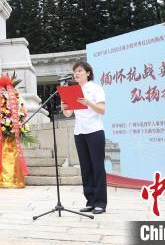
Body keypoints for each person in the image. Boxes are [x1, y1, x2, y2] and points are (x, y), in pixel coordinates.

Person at [61, 60, 107, 214]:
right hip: (79, 132)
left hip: (94, 132)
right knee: (86, 169)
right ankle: (90, 201)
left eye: (80, 70)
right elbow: (68, 114)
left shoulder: (96, 88)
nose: (77, 73)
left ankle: (100, 203)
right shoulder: (74, 91)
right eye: (75, 71)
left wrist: (88, 102)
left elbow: (102, 110)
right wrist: (64, 107)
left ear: (88, 73)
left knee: (97, 167)